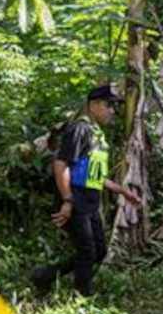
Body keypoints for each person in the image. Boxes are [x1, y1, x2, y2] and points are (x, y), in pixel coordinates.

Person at [32, 85, 141, 296]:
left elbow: (94, 175)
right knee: (87, 250)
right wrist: (67, 200)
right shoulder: (79, 129)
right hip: (75, 198)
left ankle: (44, 276)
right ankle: (82, 297)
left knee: (98, 251)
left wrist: (123, 192)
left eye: (114, 106)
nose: (112, 111)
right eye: (109, 106)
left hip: (89, 201)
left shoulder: (95, 133)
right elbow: (60, 165)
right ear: (94, 105)